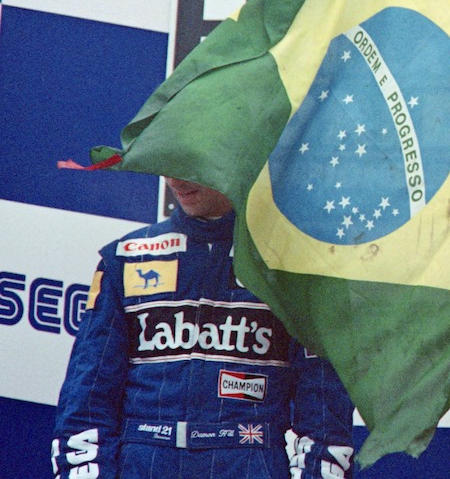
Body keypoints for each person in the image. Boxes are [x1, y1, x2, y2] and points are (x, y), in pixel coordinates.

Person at [52, 177, 356, 478]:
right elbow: (87, 404)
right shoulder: (126, 259)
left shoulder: (292, 267)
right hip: (143, 463)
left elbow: (324, 417)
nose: (175, 178)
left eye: (190, 162)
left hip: (249, 462)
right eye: (169, 161)